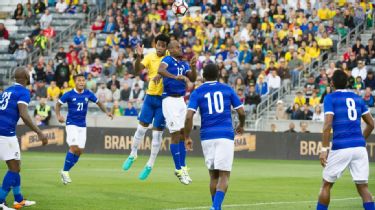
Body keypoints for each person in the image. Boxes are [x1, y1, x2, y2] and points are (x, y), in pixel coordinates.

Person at [184, 63, 245, 210]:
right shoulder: (227, 89)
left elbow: (188, 117)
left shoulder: (197, 92)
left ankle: (215, 207)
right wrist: (241, 125)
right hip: (224, 134)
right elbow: (241, 112)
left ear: (203, 76)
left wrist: (187, 137)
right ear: (218, 75)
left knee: (213, 176)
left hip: (207, 136)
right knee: (224, 176)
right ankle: (215, 207)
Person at [317, 70, 375, 210]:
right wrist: (361, 139)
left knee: (326, 185)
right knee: (363, 187)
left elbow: (327, 125)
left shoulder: (330, 98)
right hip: (359, 148)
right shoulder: (357, 98)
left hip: (341, 147)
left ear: (332, 83)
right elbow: (372, 124)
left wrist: (324, 149)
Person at [122, 34, 171, 180]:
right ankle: (133, 154)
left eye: (163, 45)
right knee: (141, 128)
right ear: (155, 44)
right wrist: (138, 56)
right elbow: (137, 71)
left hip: (164, 99)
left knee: (157, 134)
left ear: (166, 47)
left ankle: (150, 164)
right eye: (159, 44)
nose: (160, 48)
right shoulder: (149, 56)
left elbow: (173, 72)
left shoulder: (170, 58)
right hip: (150, 97)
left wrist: (161, 76)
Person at [0, 67, 48, 210]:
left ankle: (18, 199)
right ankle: (1, 201)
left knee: (16, 166)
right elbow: (24, 114)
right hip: (6, 133)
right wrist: (39, 132)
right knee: (14, 168)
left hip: (3, 131)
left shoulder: (8, 90)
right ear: (27, 77)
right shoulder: (24, 92)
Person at [55, 74, 113, 185]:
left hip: (82, 125)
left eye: (83, 80)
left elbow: (99, 103)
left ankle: (64, 171)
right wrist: (58, 116)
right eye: (79, 80)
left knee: (80, 151)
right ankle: (66, 172)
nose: (81, 82)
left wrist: (107, 112)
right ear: (75, 82)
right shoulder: (69, 94)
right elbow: (58, 104)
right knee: (73, 147)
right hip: (71, 123)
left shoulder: (88, 93)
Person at [157, 40, 197, 185]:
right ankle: (178, 169)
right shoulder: (167, 59)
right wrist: (175, 77)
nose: (180, 49)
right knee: (174, 134)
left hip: (181, 100)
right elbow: (160, 70)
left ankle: (183, 166)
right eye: (177, 47)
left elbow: (193, 78)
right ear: (171, 49)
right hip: (169, 100)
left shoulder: (183, 63)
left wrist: (193, 68)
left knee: (182, 134)